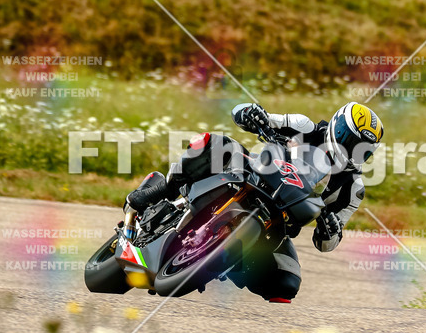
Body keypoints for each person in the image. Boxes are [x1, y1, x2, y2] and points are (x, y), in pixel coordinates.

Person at [124, 102, 384, 302]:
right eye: (353, 142)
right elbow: (246, 114)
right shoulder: (304, 126)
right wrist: (252, 113)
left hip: (281, 219)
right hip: (250, 174)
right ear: (338, 127)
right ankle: (161, 189)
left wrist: (329, 229)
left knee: (286, 284)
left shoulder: (352, 188)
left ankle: (224, 260)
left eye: (365, 149)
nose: (356, 151)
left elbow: (328, 244)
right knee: (215, 144)